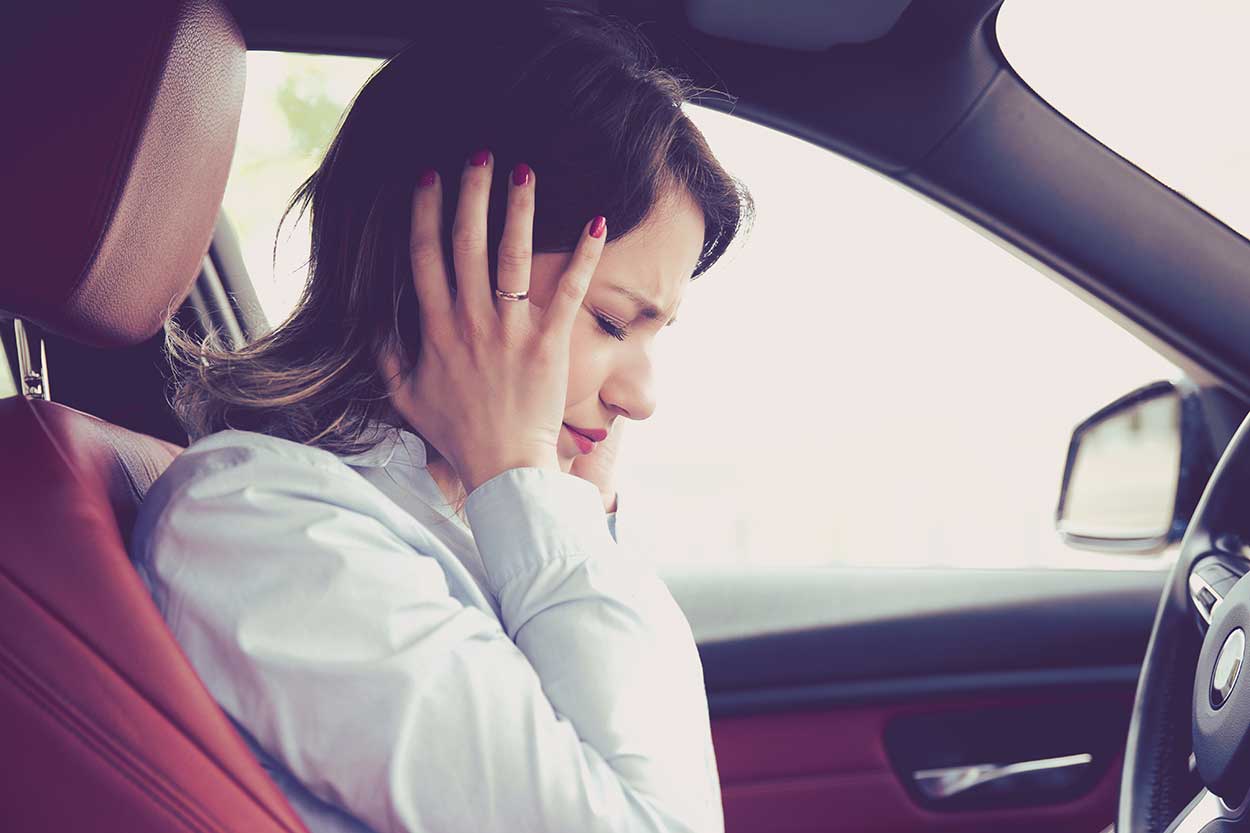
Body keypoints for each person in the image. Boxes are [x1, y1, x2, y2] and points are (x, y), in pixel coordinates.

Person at [130, 2, 752, 832]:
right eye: (609, 321)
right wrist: (528, 487)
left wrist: (557, 513)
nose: (641, 396)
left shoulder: (466, 522)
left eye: (652, 333)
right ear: (451, 268)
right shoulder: (258, 529)